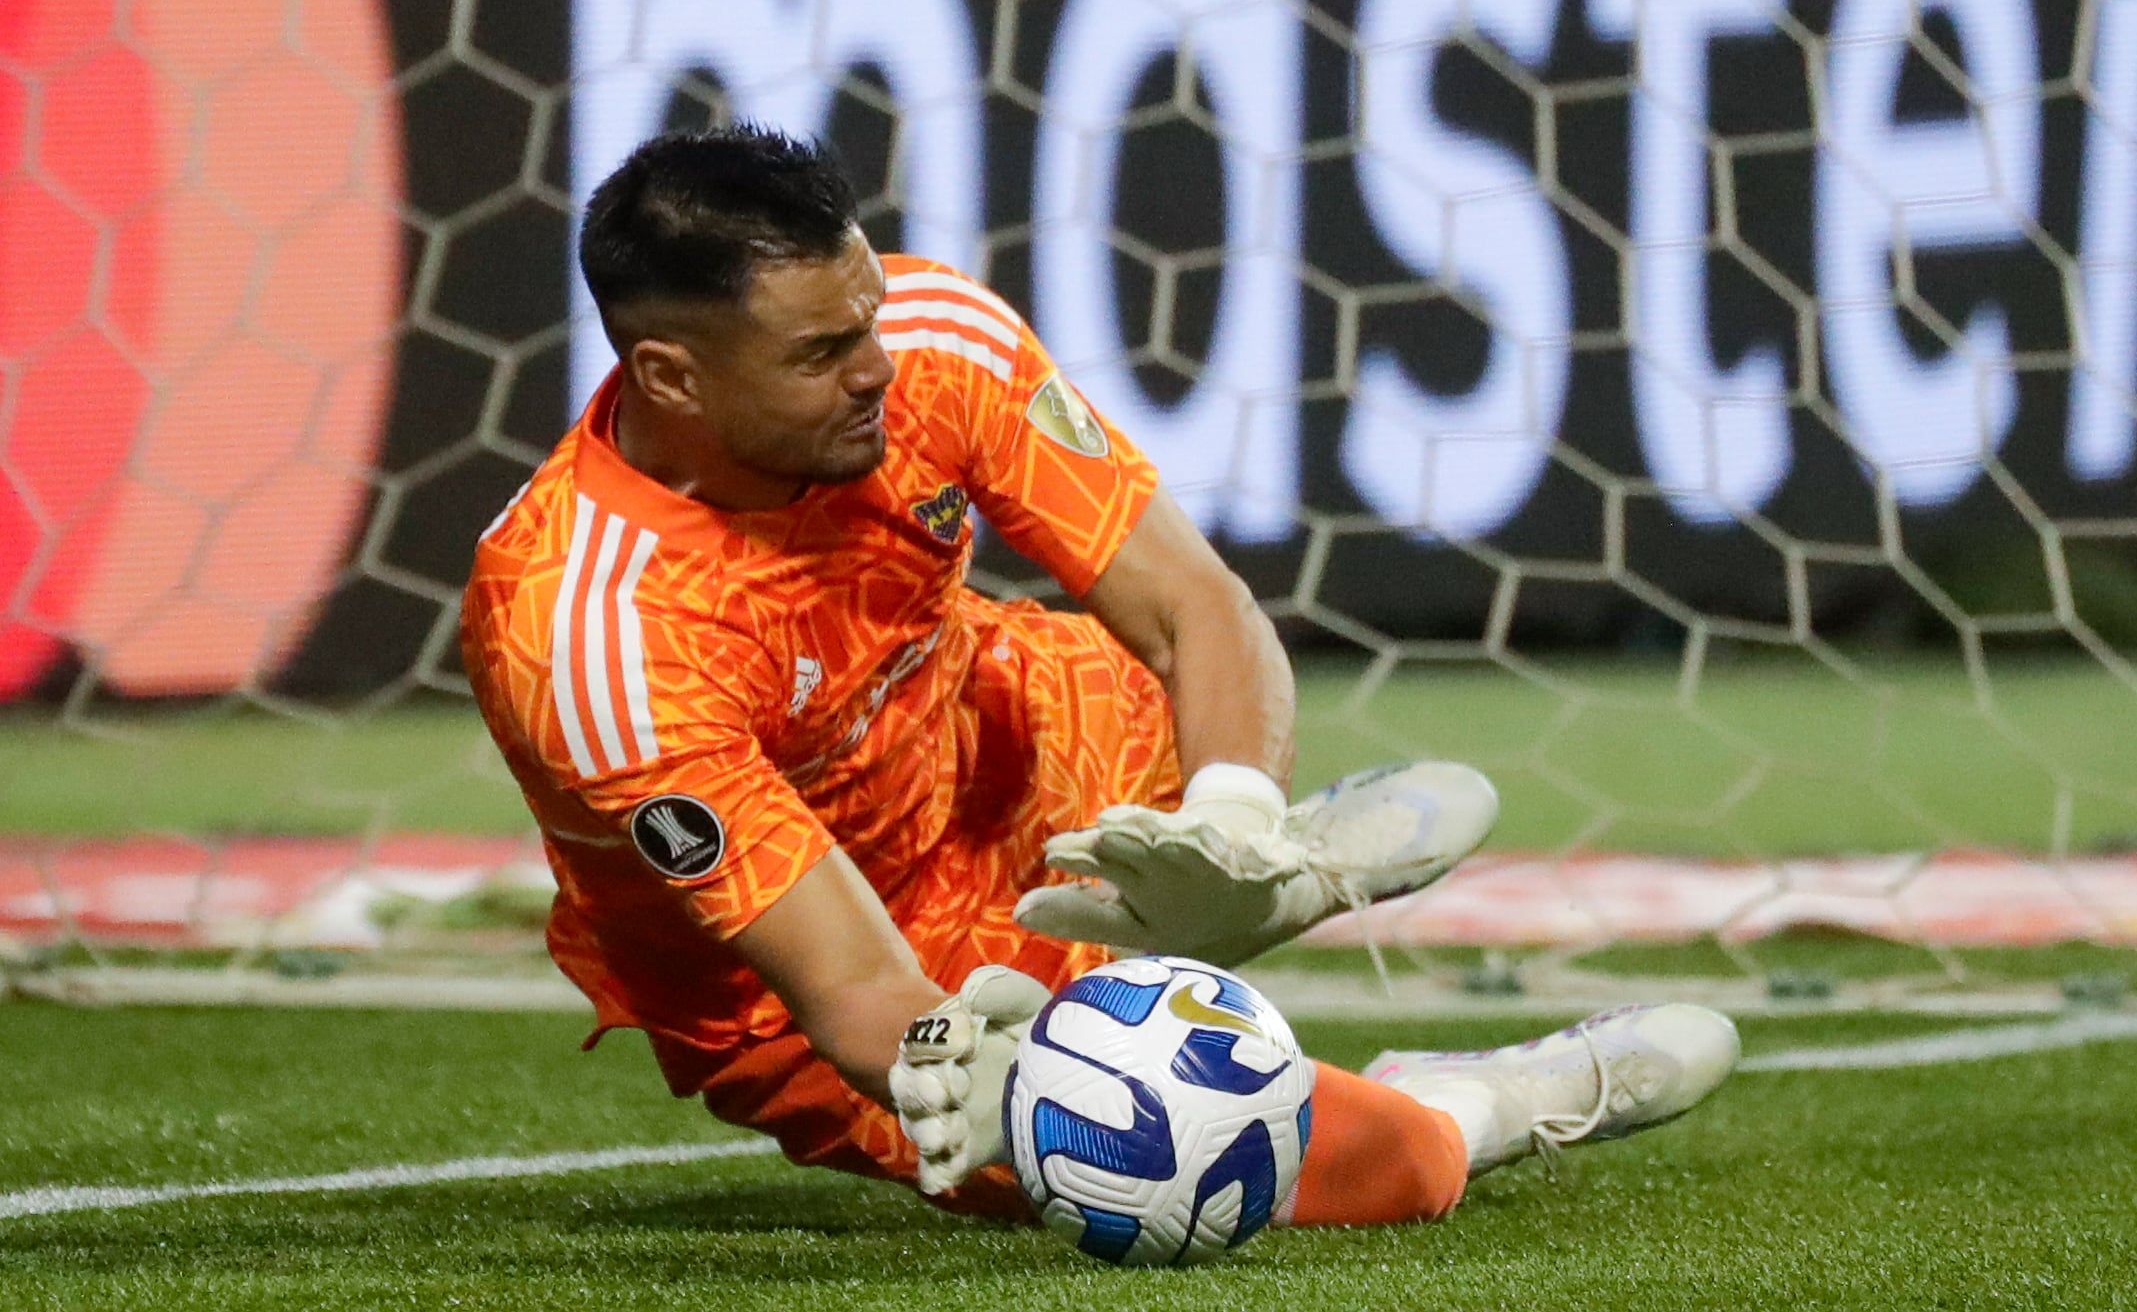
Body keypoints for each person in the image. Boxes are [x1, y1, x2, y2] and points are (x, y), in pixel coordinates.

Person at [461, 124, 1738, 1228]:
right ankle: (1488, 1101)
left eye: (869, 315)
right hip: (807, 968)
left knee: (1166, 701)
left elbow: (1193, 607)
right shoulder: (587, 637)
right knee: (1268, 1167)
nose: (877, 368)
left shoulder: (932, 339)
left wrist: (1231, 810)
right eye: (820, 352)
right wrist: (953, 1059)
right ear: (671, 375)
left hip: (1004, 743)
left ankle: (1252, 876)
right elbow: (850, 987)